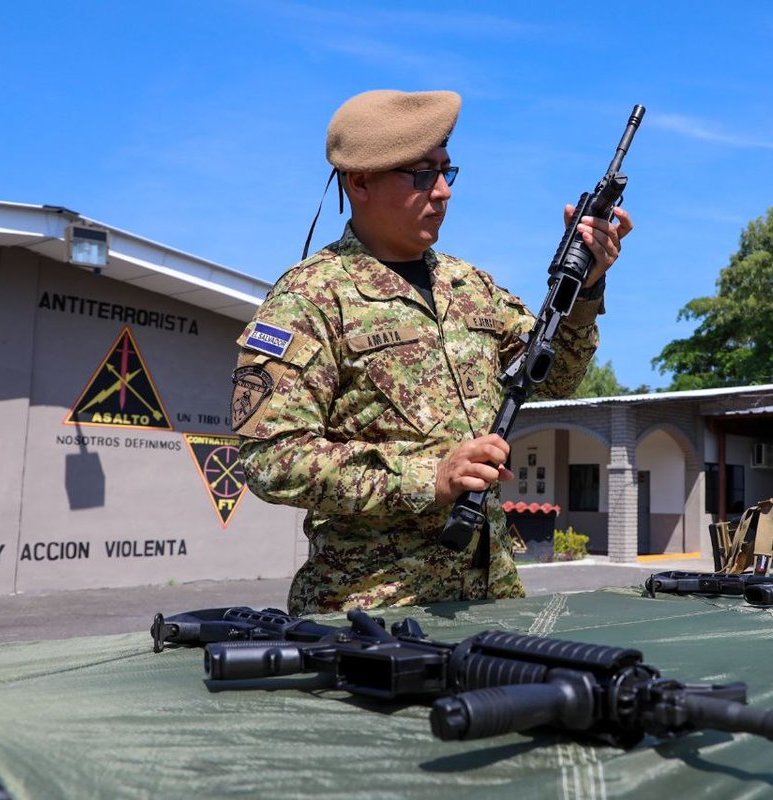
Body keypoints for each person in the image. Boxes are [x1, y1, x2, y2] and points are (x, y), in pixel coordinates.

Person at [230, 89, 632, 614]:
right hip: (374, 613)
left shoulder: (470, 286)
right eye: (422, 174)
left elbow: (554, 378)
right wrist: (429, 477)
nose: (442, 191)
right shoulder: (310, 298)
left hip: (491, 600)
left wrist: (585, 290)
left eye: (447, 171)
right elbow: (270, 458)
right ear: (360, 181)